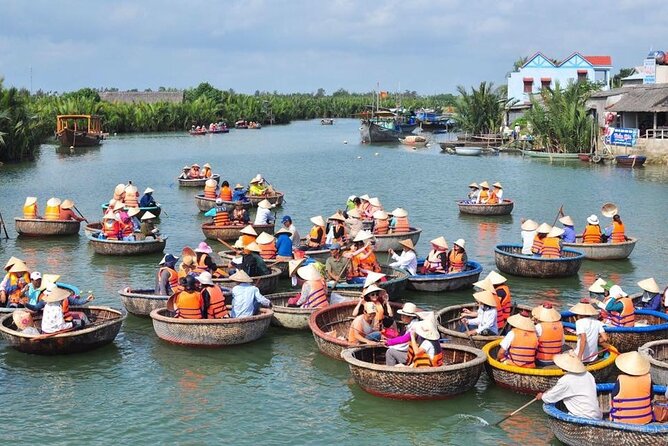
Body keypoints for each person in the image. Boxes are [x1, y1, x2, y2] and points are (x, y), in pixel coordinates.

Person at [536, 353, 602, 420]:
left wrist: (542, 396)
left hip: (581, 417)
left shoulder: (566, 380)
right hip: (597, 416)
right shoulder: (588, 374)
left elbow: (549, 398)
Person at [610, 351, 653, 425]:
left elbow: (613, 396)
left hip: (622, 422)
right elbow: (651, 397)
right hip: (645, 421)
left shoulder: (621, 380)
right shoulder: (648, 379)